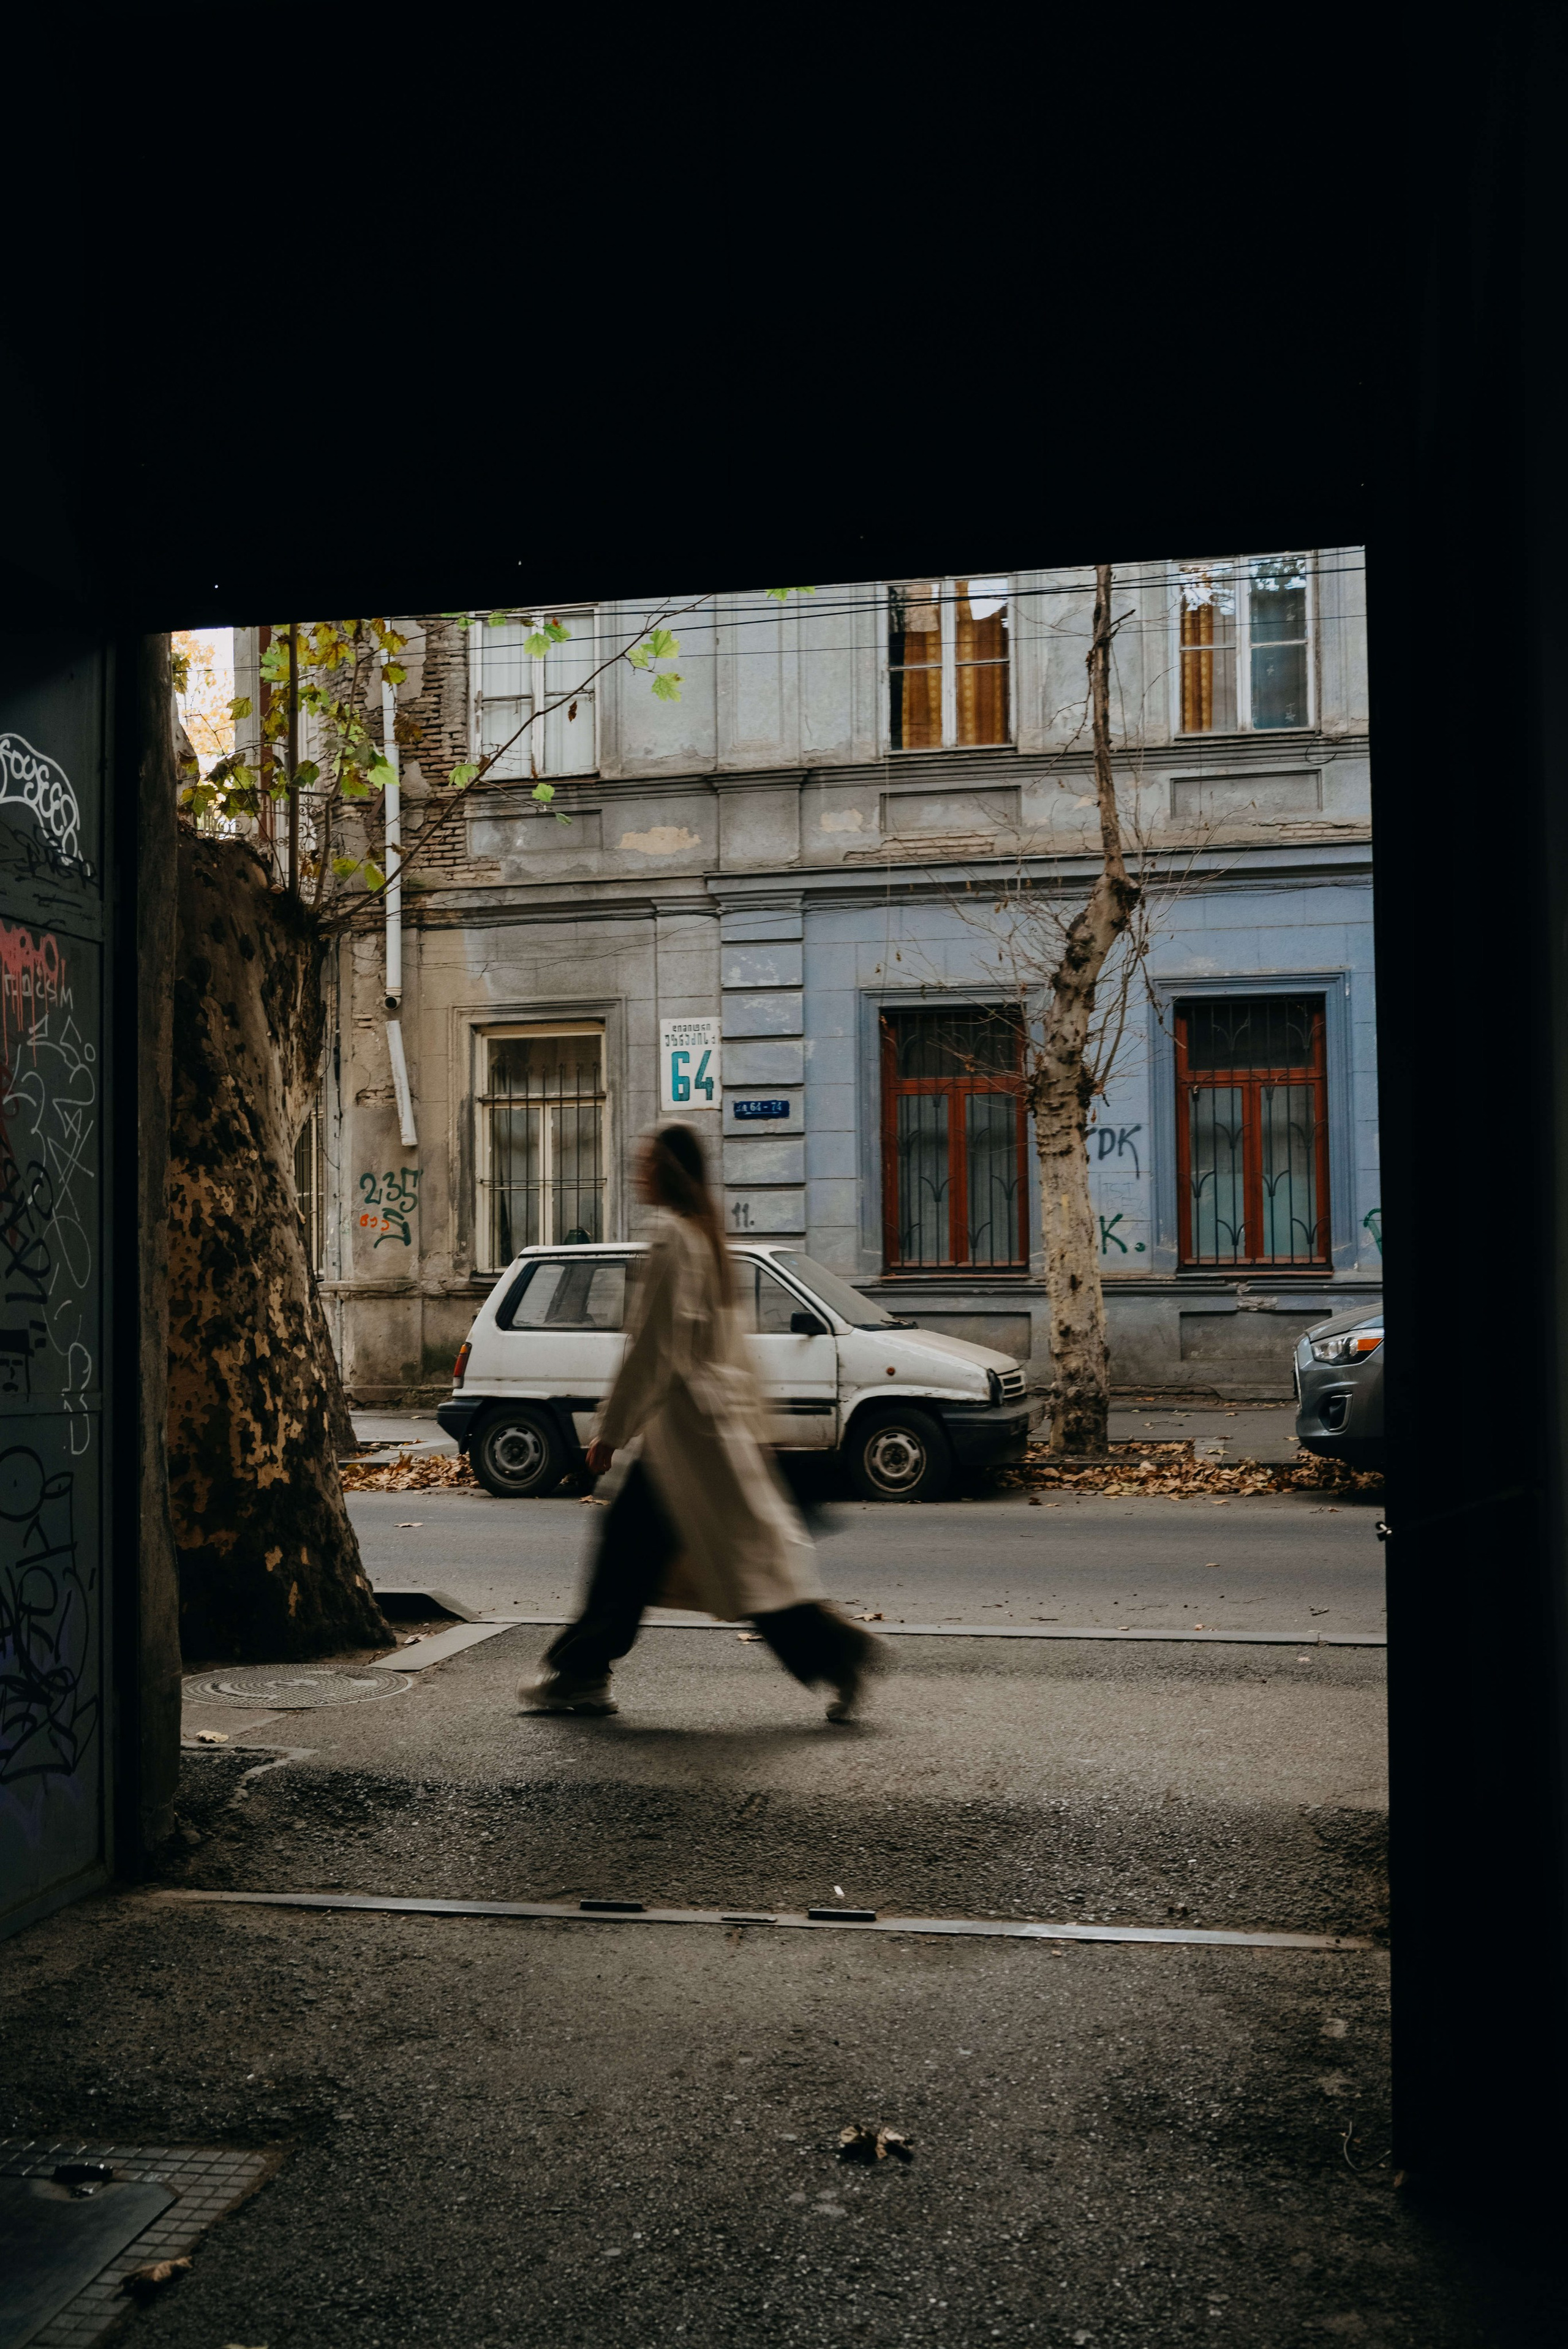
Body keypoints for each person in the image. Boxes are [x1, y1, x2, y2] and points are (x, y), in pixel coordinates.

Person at [519, 1123, 881, 1722]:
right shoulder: (705, 1237)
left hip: (684, 1440)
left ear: (668, 1172)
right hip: (706, 1433)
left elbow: (653, 1348)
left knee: (707, 1567)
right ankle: (582, 1671)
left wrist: (610, 1429)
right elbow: (731, 1345)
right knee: (695, 1564)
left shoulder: (668, 1237)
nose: (638, 1172)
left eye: (646, 1163)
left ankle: (581, 1674)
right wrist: (755, 1426)